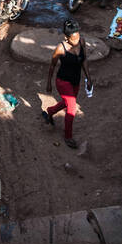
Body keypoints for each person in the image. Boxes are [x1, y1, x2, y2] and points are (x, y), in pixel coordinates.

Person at [43, 19, 90, 148]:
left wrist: (88, 78)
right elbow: (52, 66)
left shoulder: (82, 42)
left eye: (78, 37)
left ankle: (50, 111)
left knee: (67, 102)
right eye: (73, 39)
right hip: (62, 81)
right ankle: (68, 136)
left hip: (76, 80)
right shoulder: (60, 48)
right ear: (66, 37)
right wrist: (49, 83)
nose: (76, 41)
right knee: (71, 108)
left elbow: (84, 60)